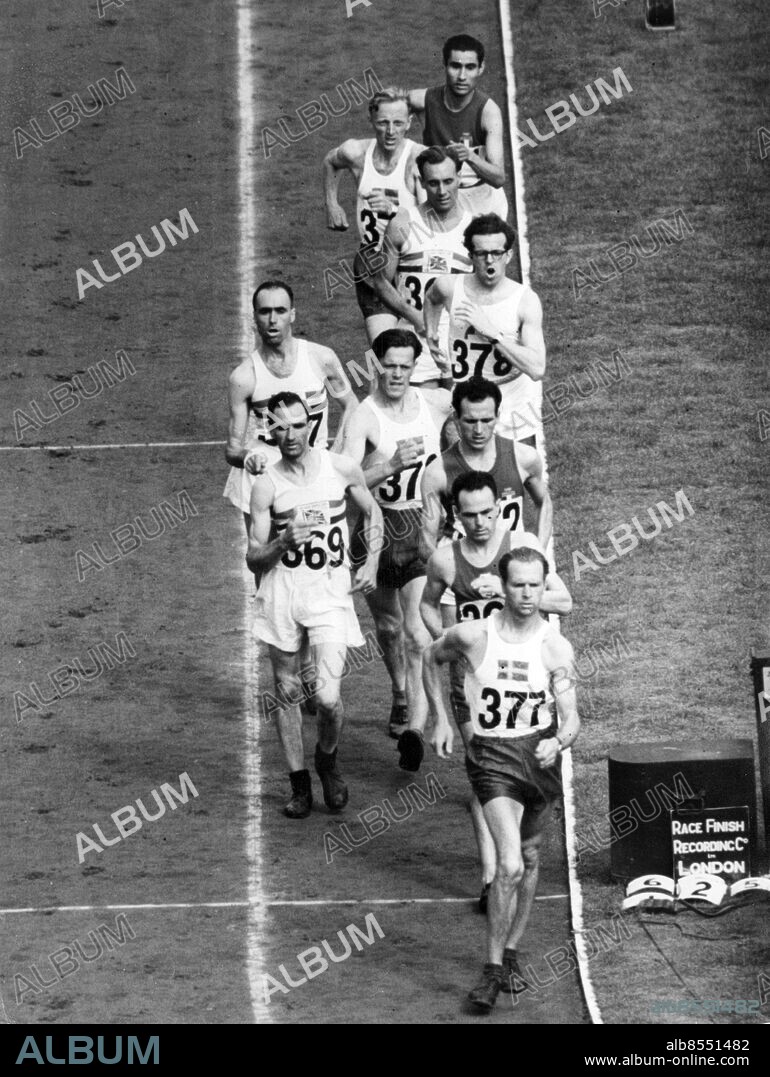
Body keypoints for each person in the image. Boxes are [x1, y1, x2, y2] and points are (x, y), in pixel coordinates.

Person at [423, 543, 580, 1013]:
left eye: (536, 585)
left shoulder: (555, 646)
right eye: (518, 585)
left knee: (531, 858)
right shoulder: (473, 636)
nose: (528, 594)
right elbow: (430, 656)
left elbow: (571, 717)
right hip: (492, 758)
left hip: (538, 757)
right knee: (509, 864)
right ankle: (491, 971)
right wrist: (442, 718)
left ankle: (511, 952)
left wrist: (561, 741)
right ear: (502, 585)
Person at [420, 476, 571, 910]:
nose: (481, 522)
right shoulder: (446, 559)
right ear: (456, 515)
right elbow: (427, 605)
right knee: (481, 776)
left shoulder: (522, 547)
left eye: (488, 512)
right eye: (470, 515)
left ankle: (511, 862)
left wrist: (510, 593)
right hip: (473, 687)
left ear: (499, 507)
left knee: (517, 784)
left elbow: (564, 601)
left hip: (525, 685)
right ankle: (491, 876)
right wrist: (452, 641)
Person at [246, 392, 382, 818]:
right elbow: (253, 555)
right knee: (286, 689)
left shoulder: (340, 467)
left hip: (329, 592)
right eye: (280, 427)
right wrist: (281, 542)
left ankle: (327, 758)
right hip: (284, 591)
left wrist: (372, 560)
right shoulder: (267, 484)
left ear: (313, 424)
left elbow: (373, 513)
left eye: (297, 424)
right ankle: (299, 783)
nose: (289, 435)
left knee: (326, 697)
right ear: (270, 432)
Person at [342, 328, 450, 745]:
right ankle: (399, 691)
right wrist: (387, 466)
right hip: (377, 529)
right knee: (388, 628)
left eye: (406, 366)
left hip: (420, 526)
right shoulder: (365, 417)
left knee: (417, 631)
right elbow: (347, 483)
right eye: (390, 366)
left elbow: (472, 416)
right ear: (377, 364)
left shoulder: (435, 404)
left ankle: (417, 727)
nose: (398, 374)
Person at [224, 280, 356, 530]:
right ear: (254, 317)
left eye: (280, 311)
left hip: (315, 472)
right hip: (266, 477)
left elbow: (351, 405)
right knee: (266, 557)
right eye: (265, 312)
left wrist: (336, 455)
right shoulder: (243, 378)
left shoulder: (322, 358)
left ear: (292, 314)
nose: (272, 320)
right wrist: (250, 457)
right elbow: (232, 449)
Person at [424, 214, 546, 447]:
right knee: (462, 480)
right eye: (481, 254)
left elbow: (537, 367)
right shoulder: (450, 286)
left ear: (508, 255)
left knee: (517, 479)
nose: (489, 261)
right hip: (467, 405)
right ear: (471, 256)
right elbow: (432, 297)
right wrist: (431, 334)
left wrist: (492, 334)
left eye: (496, 253)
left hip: (512, 408)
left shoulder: (525, 301)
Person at [323, 88, 424, 344]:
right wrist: (332, 204)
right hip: (372, 265)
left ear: (409, 123)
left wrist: (393, 211)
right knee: (385, 356)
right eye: (383, 123)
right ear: (371, 120)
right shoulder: (355, 153)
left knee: (418, 359)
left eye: (398, 123)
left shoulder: (418, 160)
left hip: (413, 268)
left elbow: (430, 221)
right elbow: (331, 161)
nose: (391, 132)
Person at [419, 376, 552, 567]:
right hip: (460, 572)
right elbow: (426, 544)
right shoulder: (437, 472)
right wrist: (456, 576)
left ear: (498, 415)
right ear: (456, 419)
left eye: (487, 420)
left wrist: (537, 553)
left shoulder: (524, 458)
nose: (479, 430)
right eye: (470, 421)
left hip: (511, 571)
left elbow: (544, 502)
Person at [372, 147, 473, 390]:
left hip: (460, 342)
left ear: (460, 177)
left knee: (463, 418)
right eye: (434, 183)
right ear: (422, 182)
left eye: (448, 181)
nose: (442, 191)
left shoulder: (474, 228)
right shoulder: (403, 223)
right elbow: (381, 282)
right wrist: (415, 316)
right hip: (414, 340)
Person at [408, 34, 507, 219]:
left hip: (480, 202)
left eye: (470, 67)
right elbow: (383, 108)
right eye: (455, 66)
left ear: (481, 68)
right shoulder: (422, 100)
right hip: (441, 197)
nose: (462, 76)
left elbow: (499, 178)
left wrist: (470, 157)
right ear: (445, 65)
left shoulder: (488, 112)